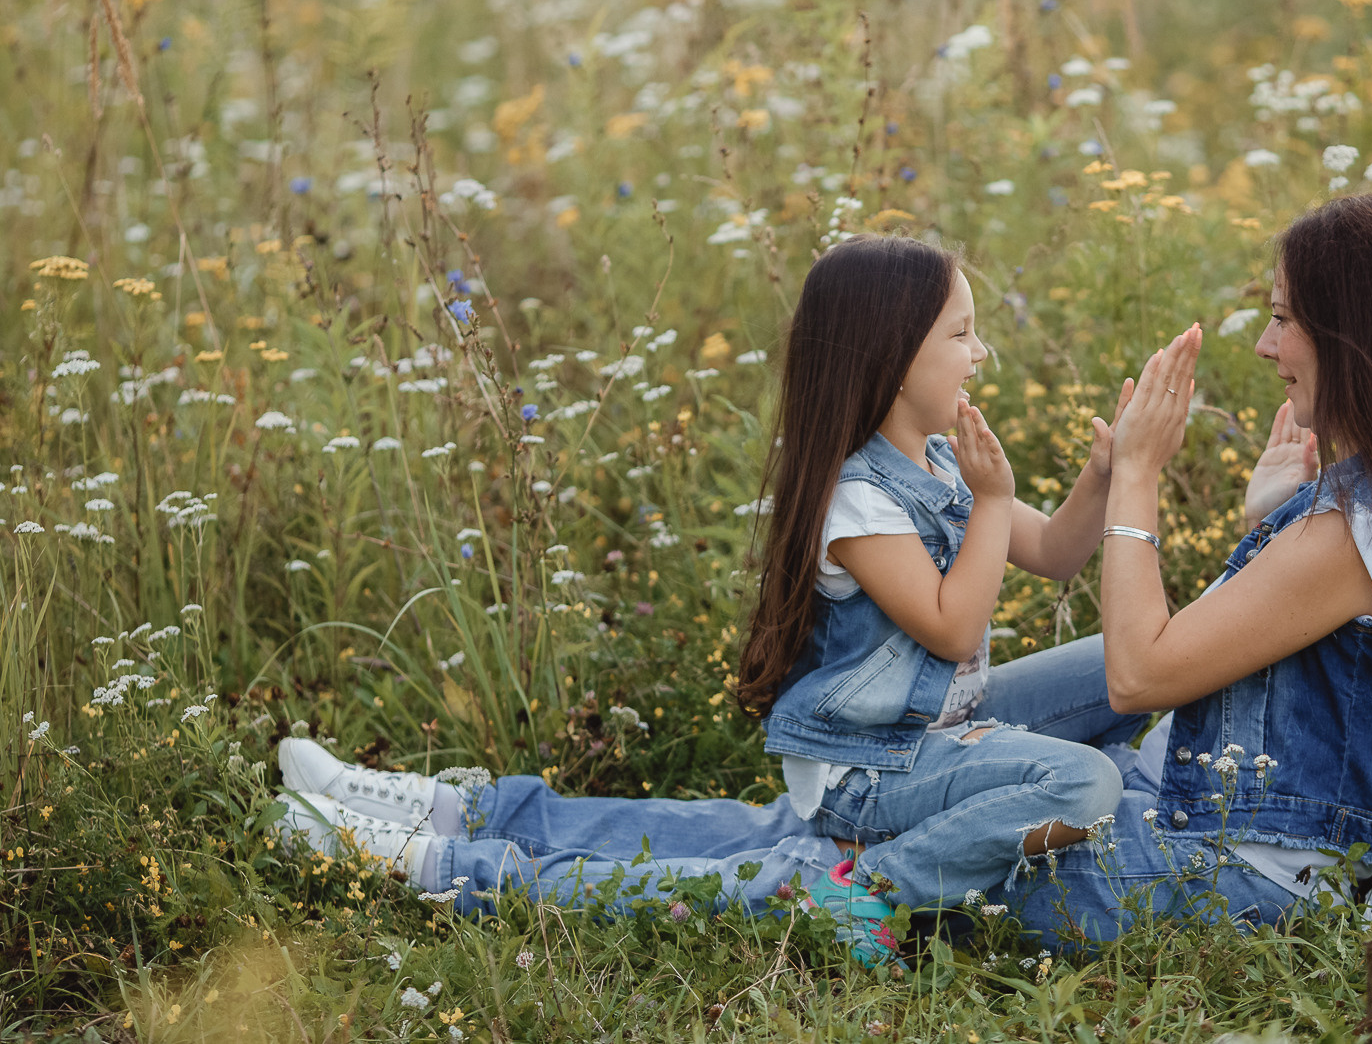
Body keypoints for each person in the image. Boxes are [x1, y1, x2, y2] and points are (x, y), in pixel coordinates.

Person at [274, 236, 1147, 962]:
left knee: (1117, 670)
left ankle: (438, 809)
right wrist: (993, 504)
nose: (980, 351)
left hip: (928, 737)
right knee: (1083, 779)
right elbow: (957, 630)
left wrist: (1108, 476)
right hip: (868, 773)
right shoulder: (859, 500)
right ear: (893, 354)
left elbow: (1059, 554)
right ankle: (872, 894)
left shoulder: (939, 460)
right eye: (962, 334)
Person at [1001, 192, 1372, 948]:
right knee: (995, 783)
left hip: (1243, 876)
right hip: (1250, 846)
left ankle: (808, 868)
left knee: (952, 846)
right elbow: (1288, 677)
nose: (1263, 344)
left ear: (1356, 338)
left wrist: (1137, 475)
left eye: (1284, 319)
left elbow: (1141, 674)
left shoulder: (1359, 528)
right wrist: (1266, 525)